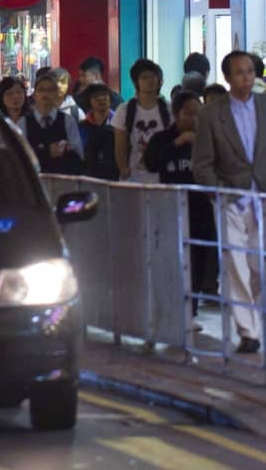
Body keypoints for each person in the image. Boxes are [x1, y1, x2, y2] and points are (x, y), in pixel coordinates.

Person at [193, 49, 266, 353]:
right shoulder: (211, 114)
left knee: (258, 264)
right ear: (226, 77)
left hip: (262, 194)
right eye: (239, 72)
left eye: (250, 71)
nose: (246, 78)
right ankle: (248, 331)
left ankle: (257, 318)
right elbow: (201, 163)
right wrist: (218, 193)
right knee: (236, 264)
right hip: (230, 198)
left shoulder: (265, 105)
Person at [145, 90, 217, 323]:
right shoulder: (162, 139)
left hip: (201, 210)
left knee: (198, 259)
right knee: (172, 259)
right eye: (189, 114)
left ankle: (191, 311)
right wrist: (178, 143)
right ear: (176, 115)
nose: (194, 119)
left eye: (199, 114)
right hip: (171, 209)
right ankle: (170, 308)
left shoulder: (209, 139)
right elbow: (151, 164)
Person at [113, 58, 170, 184]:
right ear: (136, 82)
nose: (150, 80)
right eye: (144, 77)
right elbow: (119, 145)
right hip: (133, 177)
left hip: (163, 175)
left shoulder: (169, 109)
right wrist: (123, 168)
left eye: (153, 76)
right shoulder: (124, 110)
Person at [23, 71, 83, 174]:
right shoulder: (24, 122)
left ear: (56, 94)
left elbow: (78, 155)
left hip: (63, 180)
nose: (45, 94)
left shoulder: (67, 121)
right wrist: (47, 152)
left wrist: (65, 150)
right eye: (41, 90)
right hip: (34, 181)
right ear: (35, 95)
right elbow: (20, 157)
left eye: (50, 90)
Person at [81, 84, 120, 181]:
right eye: (95, 96)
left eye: (104, 95)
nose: (101, 99)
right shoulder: (82, 126)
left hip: (116, 175)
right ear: (89, 101)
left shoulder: (119, 123)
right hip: (90, 176)